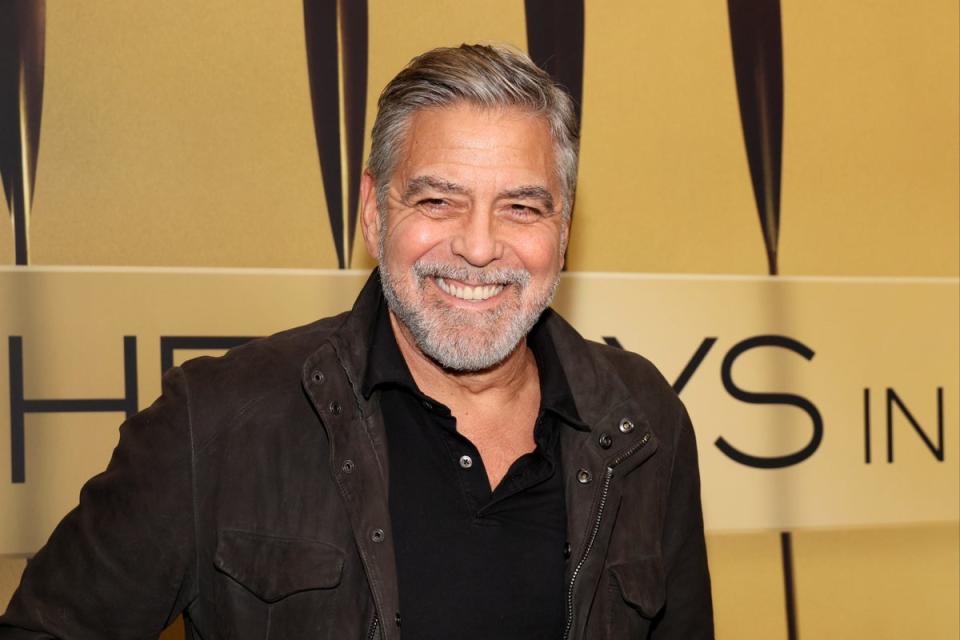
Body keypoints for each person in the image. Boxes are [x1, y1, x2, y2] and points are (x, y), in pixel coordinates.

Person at [0, 44, 713, 639]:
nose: (478, 247)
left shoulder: (642, 418)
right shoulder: (215, 419)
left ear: (562, 230)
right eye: (438, 200)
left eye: (521, 207)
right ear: (374, 213)